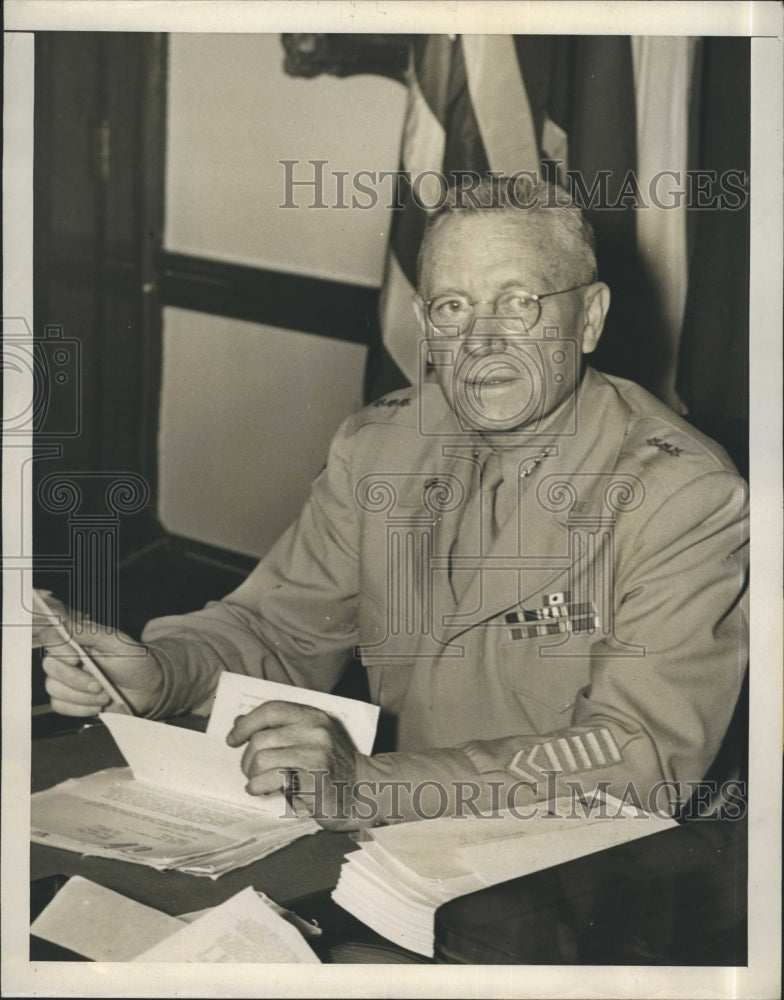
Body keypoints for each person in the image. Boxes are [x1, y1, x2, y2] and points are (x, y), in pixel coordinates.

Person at [37, 176, 748, 830]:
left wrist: (373, 788)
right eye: (453, 306)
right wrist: (162, 672)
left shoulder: (683, 495)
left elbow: (638, 756)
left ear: (589, 317)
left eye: (518, 302)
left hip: (573, 857)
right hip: (392, 843)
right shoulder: (383, 445)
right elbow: (284, 634)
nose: (482, 339)